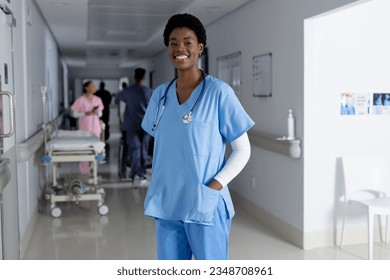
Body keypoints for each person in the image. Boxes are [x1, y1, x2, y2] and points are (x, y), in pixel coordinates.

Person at [141, 13, 255, 260]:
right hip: (168, 204)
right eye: (173, 43)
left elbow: (243, 150)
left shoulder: (219, 93)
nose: (179, 48)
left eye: (187, 42)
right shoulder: (160, 95)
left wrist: (213, 188)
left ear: (200, 48)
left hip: (206, 206)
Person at [116, 68, 153, 184]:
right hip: (146, 125)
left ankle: (135, 174)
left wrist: (121, 124)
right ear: (144, 77)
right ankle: (142, 174)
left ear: (134, 77)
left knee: (134, 148)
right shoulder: (150, 91)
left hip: (131, 124)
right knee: (144, 149)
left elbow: (121, 110)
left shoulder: (126, 92)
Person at [71, 80, 104, 175]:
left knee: (95, 149)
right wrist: (85, 113)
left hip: (95, 127)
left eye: (94, 86)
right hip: (84, 127)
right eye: (92, 86)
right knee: (84, 150)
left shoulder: (98, 100)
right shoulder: (80, 100)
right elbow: (74, 114)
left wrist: (96, 112)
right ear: (86, 88)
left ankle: (94, 168)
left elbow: (101, 113)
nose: (94, 88)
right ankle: (85, 171)